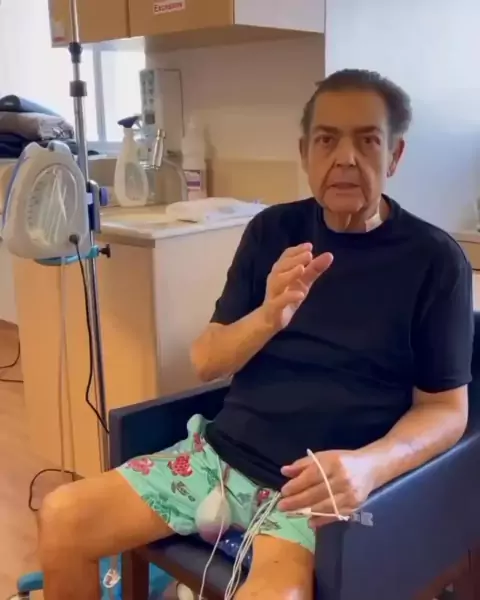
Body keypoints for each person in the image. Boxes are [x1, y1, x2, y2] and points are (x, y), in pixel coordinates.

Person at [38, 69, 473, 600]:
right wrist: (268, 316)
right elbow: (207, 360)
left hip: (314, 488)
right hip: (217, 458)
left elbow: (446, 410)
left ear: (395, 156)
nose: (345, 158)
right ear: (304, 152)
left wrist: (369, 466)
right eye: (327, 139)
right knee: (63, 516)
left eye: (367, 141)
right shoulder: (271, 231)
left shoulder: (434, 261)